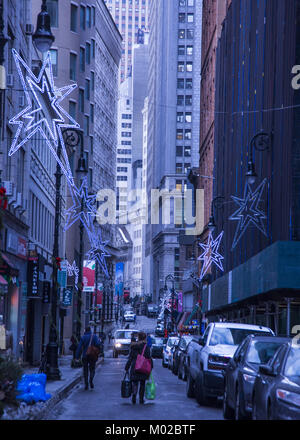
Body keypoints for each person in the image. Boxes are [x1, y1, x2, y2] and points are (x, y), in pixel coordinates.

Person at [125, 331, 153, 404]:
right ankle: (141, 399)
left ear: (138, 338)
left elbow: (130, 357)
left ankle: (134, 397)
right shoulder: (146, 347)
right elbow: (149, 357)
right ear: (144, 338)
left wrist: (127, 367)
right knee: (142, 383)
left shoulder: (134, 346)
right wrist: (151, 367)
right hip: (143, 367)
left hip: (135, 367)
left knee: (135, 383)